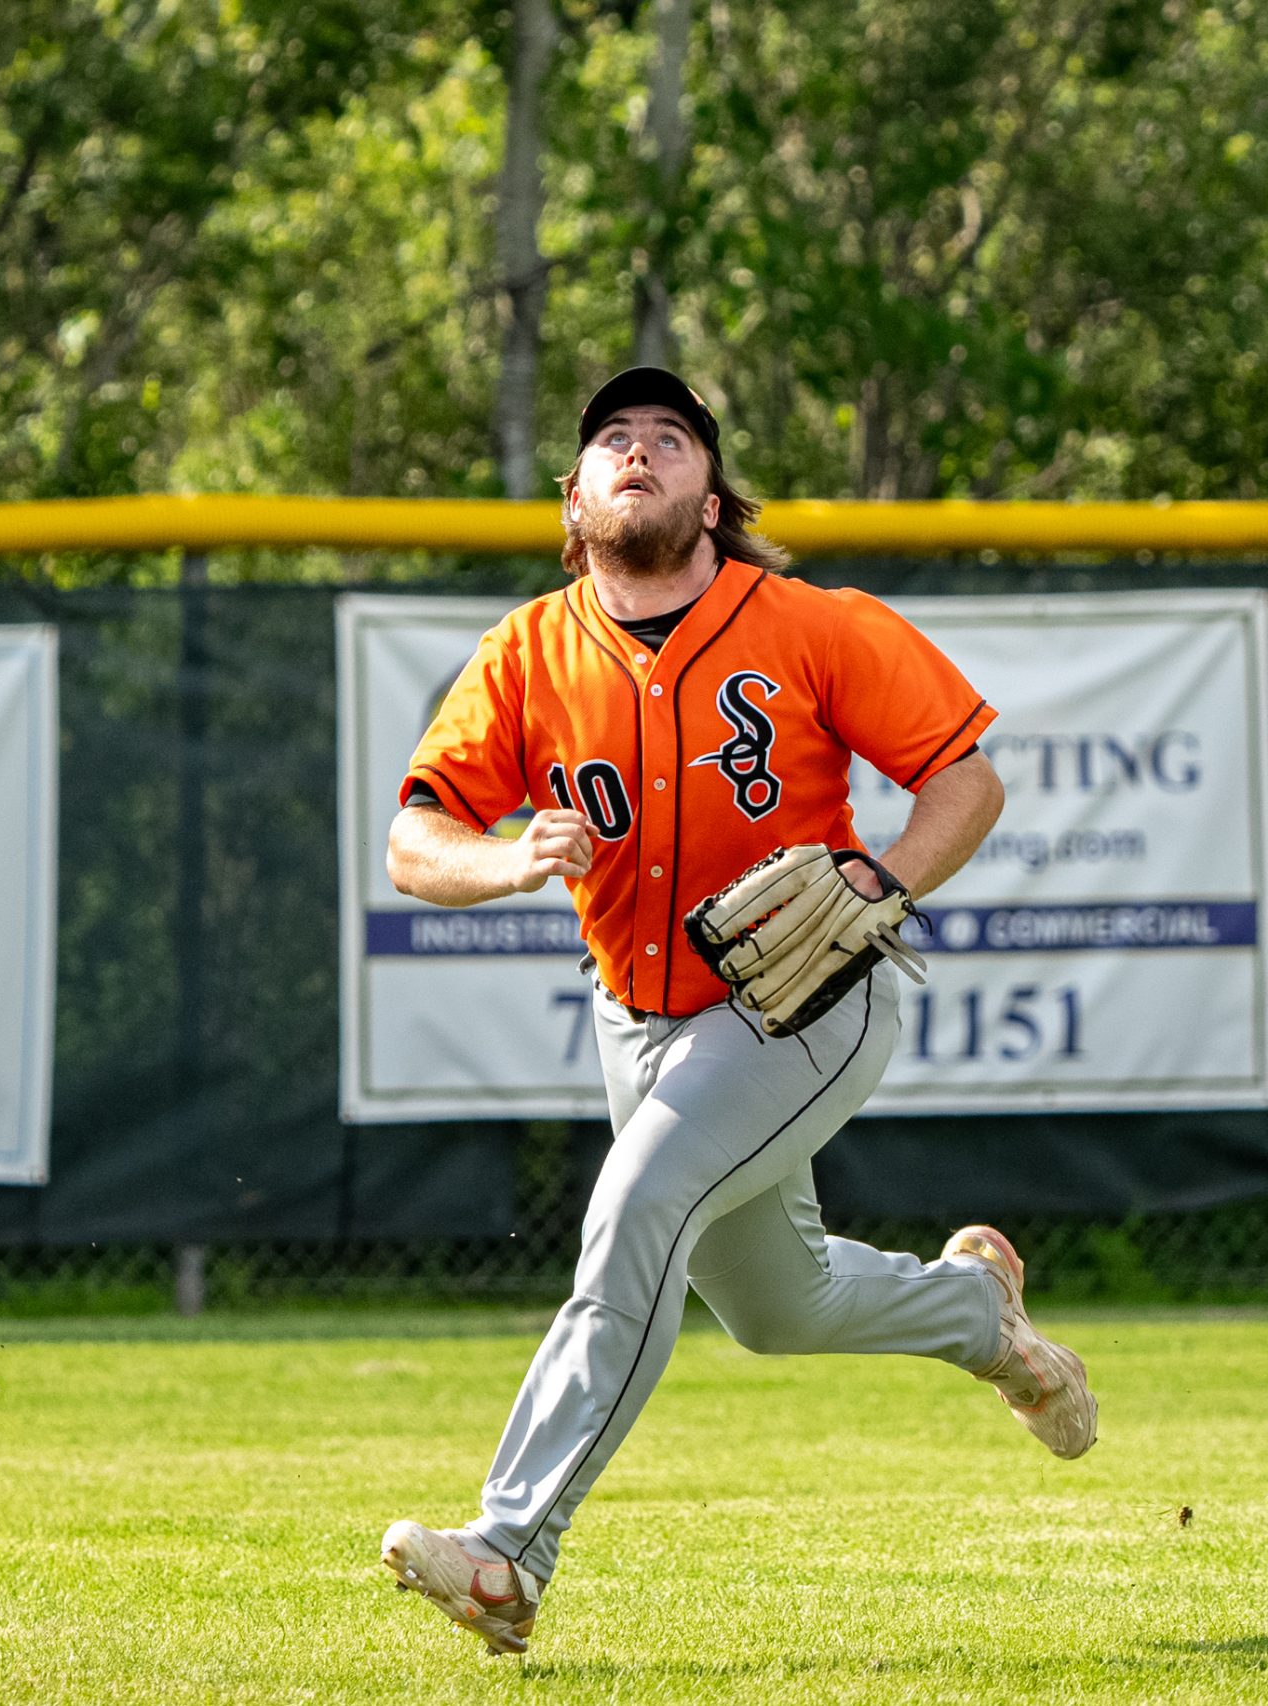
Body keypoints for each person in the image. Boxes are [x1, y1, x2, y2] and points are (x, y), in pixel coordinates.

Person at [377, 367, 1097, 1656]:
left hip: (802, 999)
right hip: (636, 1017)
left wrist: (885, 877)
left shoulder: (811, 625)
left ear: (714, 495)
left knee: (633, 1208)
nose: (642, 452)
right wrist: (507, 859)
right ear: (575, 499)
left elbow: (966, 781)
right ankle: (979, 1317)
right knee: (778, 1309)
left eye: (672, 438)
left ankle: (507, 1550)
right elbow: (414, 839)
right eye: (614, 440)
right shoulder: (529, 653)